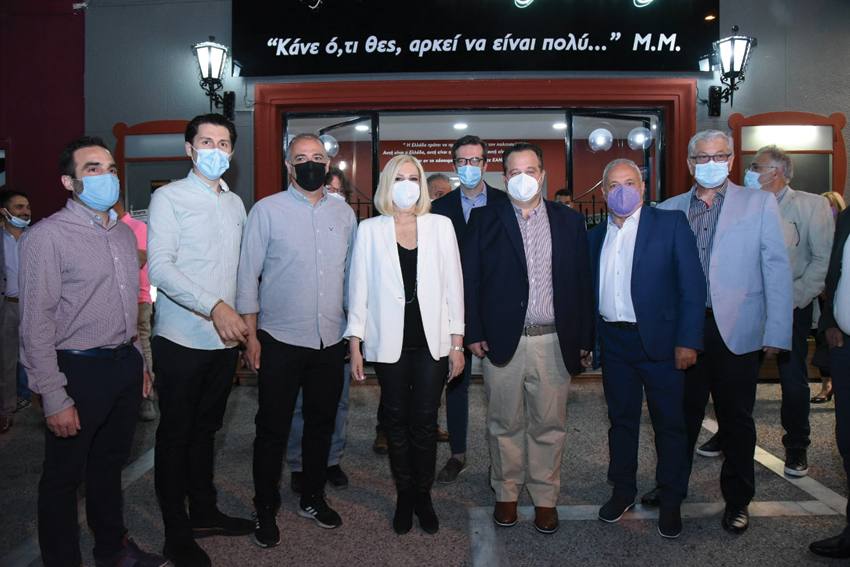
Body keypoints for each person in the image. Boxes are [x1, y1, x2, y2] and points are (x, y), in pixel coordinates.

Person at [19, 137, 164, 567]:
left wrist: (139, 362)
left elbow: (129, 304)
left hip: (123, 364)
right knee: (63, 477)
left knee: (109, 465)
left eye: (110, 167)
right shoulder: (46, 237)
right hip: (77, 369)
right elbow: (36, 323)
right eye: (93, 169)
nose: (107, 176)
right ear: (70, 182)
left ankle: (112, 550)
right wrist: (52, 394)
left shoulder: (123, 234)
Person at [655, 130, 792, 534]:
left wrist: (778, 329)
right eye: (702, 157)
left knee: (736, 419)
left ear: (731, 161)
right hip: (685, 329)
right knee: (680, 417)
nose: (710, 163)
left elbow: (776, 267)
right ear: (689, 163)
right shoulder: (669, 209)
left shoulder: (759, 202)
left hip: (737, 328)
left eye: (719, 156)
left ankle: (738, 499)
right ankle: (671, 487)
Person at [463, 141, 593, 534]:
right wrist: (473, 331)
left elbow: (583, 283)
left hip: (554, 340)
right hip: (503, 341)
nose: (523, 178)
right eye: (515, 172)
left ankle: (544, 496)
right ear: (504, 179)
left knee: (549, 424)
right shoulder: (484, 219)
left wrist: (585, 337)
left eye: (530, 171)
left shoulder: (569, 221)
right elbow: (470, 280)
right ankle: (505, 492)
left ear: (543, 175)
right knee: (503, 421)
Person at [237, 134, 357, 547]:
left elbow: (350, 278)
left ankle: (312, 496)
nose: (310, 163)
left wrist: (353, 334)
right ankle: (265, 506)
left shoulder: (344, 214)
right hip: (280, 338)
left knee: (321, 425)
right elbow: (247, 275)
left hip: (330, 339)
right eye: (301, 157)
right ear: (288, 166)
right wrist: (250, 336)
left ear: (328, 164)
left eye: (317, 157)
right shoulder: (266, 210)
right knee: (272, 428)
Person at [147, 114, 254, 567]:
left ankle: (205, 512)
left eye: (223, 143)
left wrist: (245, 327)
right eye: (205, 142)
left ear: (232, 152)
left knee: (207, 431)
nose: (215, 150)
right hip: (181, 339)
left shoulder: (235, 204)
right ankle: (176, 534)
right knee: (175, 436)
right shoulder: (168, 197)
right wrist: (214, 306)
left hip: (223, 344)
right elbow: (160, 267)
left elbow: (241, 271)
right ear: (189, 149)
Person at [346, 154, 465, 535]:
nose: (407, 185)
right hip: (388, 343)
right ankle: (404, 493)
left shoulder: (441, 226)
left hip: (433, 343)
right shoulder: (369, 230)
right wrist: (355, 343)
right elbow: (358, 289)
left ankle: (423, 494)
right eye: (399, 178)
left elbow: (455, 286)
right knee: (395, 422)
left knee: (425, 422)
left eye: (414, 178)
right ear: (387, 184)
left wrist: (457, 342)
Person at [588, 159, 705, 539]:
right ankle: (623, 490)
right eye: (613, 184)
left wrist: (688, 341)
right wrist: (589, 342)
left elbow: (692, 287)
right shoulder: (594, 235)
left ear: (642, 187)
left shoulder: (669, 224)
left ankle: (671, 498)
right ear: (603, 192)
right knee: (621, 421)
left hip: (661, 343)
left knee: (669, 424)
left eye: (629, 182)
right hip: (614, 342)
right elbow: (588, 293)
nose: (622, 190)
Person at [742, 145, 832, 475]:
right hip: (750, 304)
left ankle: (796, 445)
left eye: (756, 166)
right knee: (739, 376)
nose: (750, 172)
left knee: (793, 377)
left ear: (777, 172)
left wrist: (792, 299)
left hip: (792, 304)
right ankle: (730, 434)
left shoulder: (811, 205)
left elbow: (822, 260)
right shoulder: (746, 204)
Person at [430, 134, 508, 484]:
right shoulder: (440, 207)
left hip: (495, 306)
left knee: (502, 387)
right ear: (455, 165)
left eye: (475, 160)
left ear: (486, 164)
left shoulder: (505, 202)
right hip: (452, 307)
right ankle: (457, 454)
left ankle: (503, 460)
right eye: (462, 161)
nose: (469, 166)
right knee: (455, 383)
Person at [285, 165, 355, 495]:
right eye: (329, 189)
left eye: (339, 191)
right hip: (300, 329)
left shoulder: (348, 222)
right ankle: (299, 463)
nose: (333, 195)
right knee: (300, 403)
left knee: (337, 402)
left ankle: (331, 459)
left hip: (338, 329)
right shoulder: (291, 220)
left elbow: (355, 277)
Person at [808, 206, 850, 559]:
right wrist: (831, 323)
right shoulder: (849, 217)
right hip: (844, 346)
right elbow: (836, 272)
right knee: (848, 440)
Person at [113, 193, 157, 422]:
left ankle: (147, 399)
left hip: (138, 300)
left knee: (142, 348)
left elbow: (140, 258)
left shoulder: (138, 227)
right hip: (110, 301)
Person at [812, 191, 847, 403]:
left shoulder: (843, 225)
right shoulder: (818, 230)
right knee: (822, 341)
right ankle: (826, 385)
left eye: (831, 206)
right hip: (821, 294)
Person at [1, 189, 30, 432]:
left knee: (39, 356)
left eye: (27, 207)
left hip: (35, 307)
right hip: (8, 307)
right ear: (4, 211)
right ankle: (6, 411)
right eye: (19, 207)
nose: (25, 212)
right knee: (7, 361)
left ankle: (43, 404)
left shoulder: (37, 237)